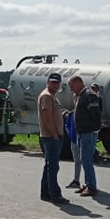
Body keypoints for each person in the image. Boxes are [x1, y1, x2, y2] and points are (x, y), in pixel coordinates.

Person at [68, 74, 103, 196]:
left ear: (78, 83)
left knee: (86, 160)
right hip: (81, 132)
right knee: (84, 160)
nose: (71, 89)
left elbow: (96, 113)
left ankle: (92, 187)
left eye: (72, 86)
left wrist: (94, 129)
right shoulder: (80, 95)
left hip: (88, 132)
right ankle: (88, 184)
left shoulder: (89, 95)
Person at [38, 73, 68, 205]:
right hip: (50, 136)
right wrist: (54, 134)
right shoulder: (46, 96)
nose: (55, 85)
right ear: (48, 82)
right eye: (53, 82)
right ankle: (55, 194)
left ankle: (45, 192)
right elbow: (47, 116)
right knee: (53, 167)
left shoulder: (52, 96)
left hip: (53, 136)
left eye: (57, 83)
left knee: (49, 165)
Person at [64, 109, 81, 190]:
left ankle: (87, 183)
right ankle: (77, 181)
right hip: (75, 140)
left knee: (83, 162)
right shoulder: (72, 114)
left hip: (80, 139)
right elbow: (67, 125)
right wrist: (71, 135)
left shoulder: (78, 113)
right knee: (78, 161)